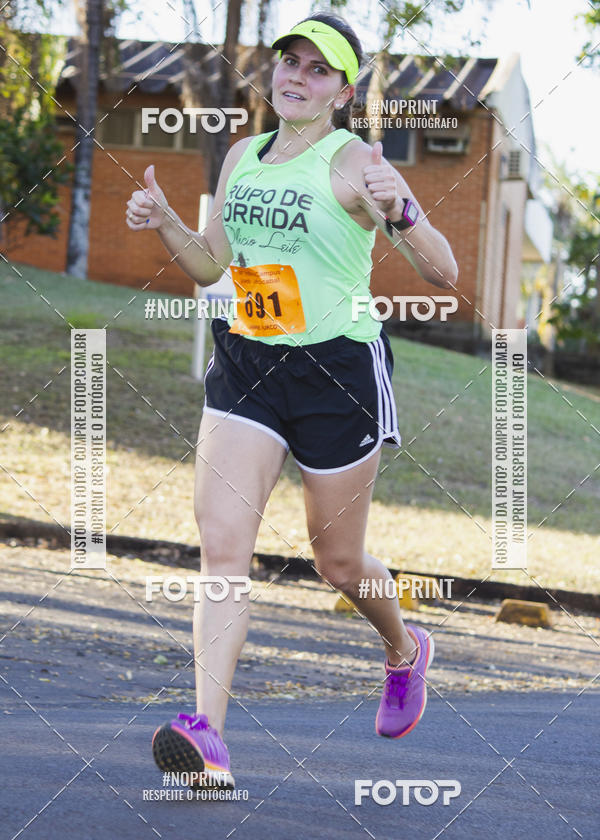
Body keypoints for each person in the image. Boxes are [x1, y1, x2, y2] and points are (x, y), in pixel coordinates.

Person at [126, 12, 458, 789]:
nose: (296, 77)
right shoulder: (243, 155)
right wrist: (166, 221)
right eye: (288, 61)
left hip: (336, 373)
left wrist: (403, 209)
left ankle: (404, 649)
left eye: (318, 69)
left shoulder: (357, 164)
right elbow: (211, 264)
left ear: (343, 92)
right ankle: (207, 739)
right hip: (248, 361)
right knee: (222, 549)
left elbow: (443, 272)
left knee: (337, 562)